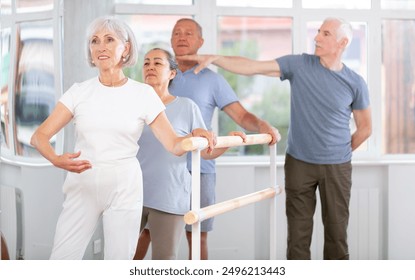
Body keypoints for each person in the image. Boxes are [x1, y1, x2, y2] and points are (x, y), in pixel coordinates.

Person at [177, 17, 372, 260]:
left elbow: (365, 128)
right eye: (318, 31)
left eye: (325, 34)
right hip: (299, 163)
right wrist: (216, 58)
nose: (317, 37)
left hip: (337, 166)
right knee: (298, 237)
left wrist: (339, 153)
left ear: (342, 42)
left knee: (336, 234)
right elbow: (252, 66)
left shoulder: (355, 82)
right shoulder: (299, 64)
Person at [30, 17, 215, 260]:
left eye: (109, 40)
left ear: (125, 48)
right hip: (83, 181)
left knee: (119, 261)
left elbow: (173, 144)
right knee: (62, 258)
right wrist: (55, 159)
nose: (101, 47)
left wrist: (197, 136)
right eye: (95, 41)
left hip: (125, 184)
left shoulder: (143, 94)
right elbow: (39, 136)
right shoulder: (79, 92)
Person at [169, 18, 280, 260]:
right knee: (147, 232)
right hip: (164, 167)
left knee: (196, 235)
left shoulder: (213, 80)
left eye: (188, 33)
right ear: (170, 40)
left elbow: (240, 115)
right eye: (176, 33)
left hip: (201, 167)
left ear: (201, 41)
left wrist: (263, 125)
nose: (181, 37)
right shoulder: (161, 75)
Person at [134, 48, 245, 260]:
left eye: (157, 63)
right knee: (123, 257)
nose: (150, 67)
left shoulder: (186, 107)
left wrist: (229, 141)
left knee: (163, 263)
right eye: (146, 63)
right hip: (132, 194)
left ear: (172, 73)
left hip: (169, 196)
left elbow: (205, 153)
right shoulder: (131, 106)